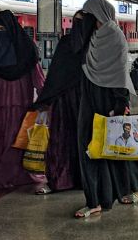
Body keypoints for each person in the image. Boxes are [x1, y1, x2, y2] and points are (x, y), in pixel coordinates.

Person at [75, 0, 138, 217]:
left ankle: (135, 186)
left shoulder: (115, 36)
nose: (85, 21)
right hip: (90, 99)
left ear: (98, 14)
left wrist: (121, 103)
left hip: (112, 98)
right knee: (90, 148)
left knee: (119, 147)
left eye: (88, 16)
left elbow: (120, 71)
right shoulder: (91, 37)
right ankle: (96, 200)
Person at [0, 10, 48, 193]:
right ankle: (6, 174)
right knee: (2, 140)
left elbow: (38, 77)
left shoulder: (26, 49)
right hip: (1, 107)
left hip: (21, 106)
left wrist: (46, 99)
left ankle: (8, 175)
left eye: (3, 29)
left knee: (16, 141)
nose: (0, 33)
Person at [31, 10, 92, 192]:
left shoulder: (68, 43)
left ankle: (63, 178)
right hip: (84, 100)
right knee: (83, 139)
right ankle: (83, 179)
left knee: (64, 140)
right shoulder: (92, 44)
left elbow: (56, 75)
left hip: (66, 101)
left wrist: (46, 99)